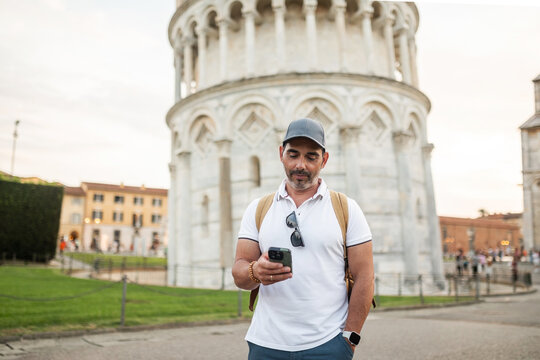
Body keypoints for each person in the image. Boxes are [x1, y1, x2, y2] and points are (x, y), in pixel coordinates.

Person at [232, 118, 374, 359]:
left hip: (328, 345)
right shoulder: (258, 208)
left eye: (311, 157)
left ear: (324, 160)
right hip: (266, 345)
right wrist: (256, 271)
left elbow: (365, 277)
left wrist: (350, 338)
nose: (301, 165)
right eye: (293, 154)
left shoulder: (346, 208)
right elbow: (239, 272)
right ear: (281, 154)